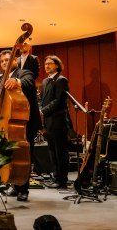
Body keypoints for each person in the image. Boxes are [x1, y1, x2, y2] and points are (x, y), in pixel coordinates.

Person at [0, 50, 41, 201]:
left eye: (8, 60)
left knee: (23, 156)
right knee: (8, 156)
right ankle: (13, 185)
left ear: (15, 61)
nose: (5, 63)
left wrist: (17, 82)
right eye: (2, 61)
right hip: (4, 123)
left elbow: (29, 82)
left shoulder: (24, 73)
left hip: (24, 122)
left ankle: (23, 188)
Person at [40, 55, 72, 189]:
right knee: (52, 151)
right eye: (45, 64)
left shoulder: (61, 80)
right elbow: (43, 100)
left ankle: (62, 180)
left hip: (59, 121)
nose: (47, 66)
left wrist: (43, 110)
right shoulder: (45, 81)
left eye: (50, 64)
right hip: (49, 121)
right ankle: (56, 177)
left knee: (61, 152)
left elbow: (59, 101)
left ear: (57, 65)